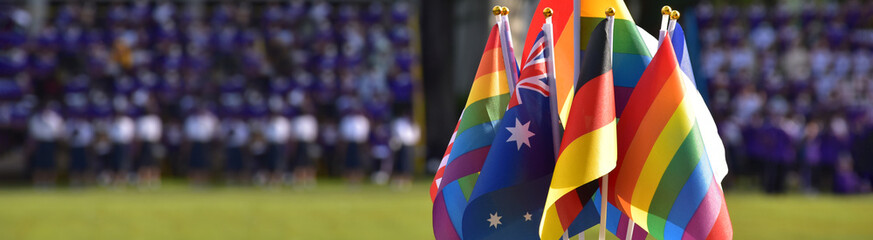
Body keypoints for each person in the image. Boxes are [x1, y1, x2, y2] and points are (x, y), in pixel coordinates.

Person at [27, 102, 65, 187]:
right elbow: (33, 132)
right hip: (40, 142)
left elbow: (59, 131)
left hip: (50, 142)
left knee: (51, 163)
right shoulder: (36, 118)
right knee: (39, 163)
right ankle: (39, 182)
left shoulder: (55, 119)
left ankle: (51, 182)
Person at [184, 104, 218, 186]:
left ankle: (204, 182)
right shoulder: (191, 120)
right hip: (195, 143)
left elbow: (214, 131)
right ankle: (194, 182)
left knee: (205, 163)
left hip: (205, 143)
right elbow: (188, 134)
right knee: (194, 163)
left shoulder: (210, 119)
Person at [340, 106, 370, 185]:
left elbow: (365, 133)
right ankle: (349, 180)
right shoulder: (347, 120)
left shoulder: (363, 120)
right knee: (349, 162)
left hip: (360, 143)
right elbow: (344, 133)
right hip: (349, 143)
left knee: (359, 162)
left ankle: (358, 180)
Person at [108, 100, 135, 187]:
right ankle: (116, 181)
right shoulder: (113, 121)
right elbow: (110, 134)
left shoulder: (127, 121)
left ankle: (122, 182)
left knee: (123, 163)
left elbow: (130, 134)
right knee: (115, 164)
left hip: (124, 144)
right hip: (116, 144)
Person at [135, 104, 162, 189]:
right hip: (144, 143)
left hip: (153, 142)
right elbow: (139, 134)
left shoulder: (156, 120)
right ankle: (143, 181)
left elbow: (158, 133)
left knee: (154, 163)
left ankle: (154, 181)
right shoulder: (141, 120)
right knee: (143, 163)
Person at [390, 112, 420, 190]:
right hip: (402, 145)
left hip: (410, 145)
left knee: (408, 163)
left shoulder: (413, 124)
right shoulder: (400, 123)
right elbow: (398, 133)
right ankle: (399, 180)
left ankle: (407, 180)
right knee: (401, 163)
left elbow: (416, 135)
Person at [291, 103, 318, 188]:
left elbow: (314, 132)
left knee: (309, 162)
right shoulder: (297, 120)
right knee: (299, 162)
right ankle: (299, 181)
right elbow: (294, 133)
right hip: (300, 142)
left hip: (308, 142)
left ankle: (309, 180)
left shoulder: (311, 120)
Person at [66, 113, 94, 187]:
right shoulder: (71, 124)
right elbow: (66, 137)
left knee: (84, 166)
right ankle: (75, 182)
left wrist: (81, 137)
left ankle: (84, 182)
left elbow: (89, 138)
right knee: (74, 166)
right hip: (74, 147)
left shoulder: (87, 126)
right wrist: (72, 135)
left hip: (84, 148)